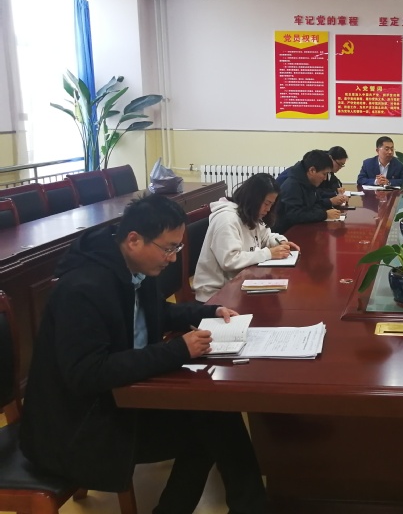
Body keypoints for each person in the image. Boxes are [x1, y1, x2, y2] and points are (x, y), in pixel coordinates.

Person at [20, 194, 268, 514]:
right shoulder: (82, 289)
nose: (173, 258)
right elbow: (87, 373)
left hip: (124, 398)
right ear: (134, 240)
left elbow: (155, 313)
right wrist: (177, 350)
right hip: (79, 425)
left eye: (177, 248)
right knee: (209, 429)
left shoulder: (132, 268)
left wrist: (209, 311)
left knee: (216, 412)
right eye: (168, 248)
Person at [194, 172, 301, 303]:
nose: (268, 209)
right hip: (216, 294)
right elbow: (230, 261)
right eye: (266, 203)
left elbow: (265, 236)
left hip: (241, 282)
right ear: (254, 199)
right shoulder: (227, 219)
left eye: (271, 205)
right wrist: (268, 253)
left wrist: (280, 242)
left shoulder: (250, 214)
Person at [274, 149, 341, 233]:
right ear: (312, 170)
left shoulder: (309, 182)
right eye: (324, 174)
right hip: (287, 233)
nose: (325, 178)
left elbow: (315, 204)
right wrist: (325, 214)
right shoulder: (292, 185)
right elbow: (294, 215)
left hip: (301, 228)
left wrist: (328, 205)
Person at [278, 146, 348, 208]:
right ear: (312, 170)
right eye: (339, 164)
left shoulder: (311, 172)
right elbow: (296, 213)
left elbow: (314, 202)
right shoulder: (294, 183)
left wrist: (335, 192)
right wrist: (326, 210)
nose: (325, 178)